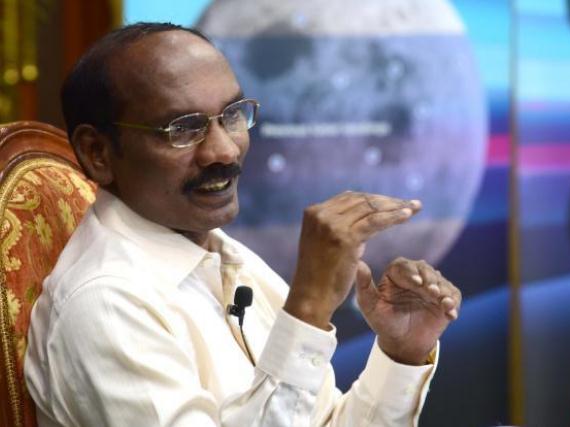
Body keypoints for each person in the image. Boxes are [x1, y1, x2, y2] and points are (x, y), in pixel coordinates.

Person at [24, 22, 462, 427]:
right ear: (98, 153)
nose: (224, 151)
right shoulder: (105, 303)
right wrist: (309, 305)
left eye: (232, 114)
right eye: (183, 128)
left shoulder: (220, 252)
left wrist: (401, 354)